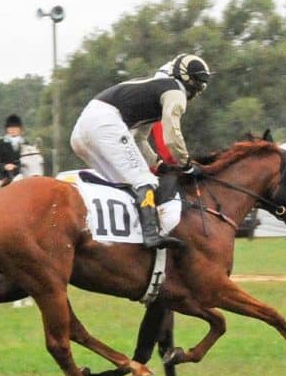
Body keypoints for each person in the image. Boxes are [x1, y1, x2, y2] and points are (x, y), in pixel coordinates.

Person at [70, 53, 211, 250]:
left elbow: (139, 138)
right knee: (145, 181)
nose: (200, 89)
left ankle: (118, 235)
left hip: (83, 129)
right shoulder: (175, 92)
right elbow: (172, 135)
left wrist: (156, 163)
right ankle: (151, 235)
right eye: (200, 83)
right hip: (105, 122)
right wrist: (186, 165)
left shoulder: (156, 88)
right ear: (189, 79)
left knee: (124, 184)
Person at [0, 114, 27, 189]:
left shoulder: (26, 143)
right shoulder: (0, 143)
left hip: (22, 176)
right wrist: (5, 166)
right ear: (7, 129)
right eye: (10, 128)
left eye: (15, 127)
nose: (12, 130)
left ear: (20, 129)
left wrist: (18, 167)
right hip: (4, 177)